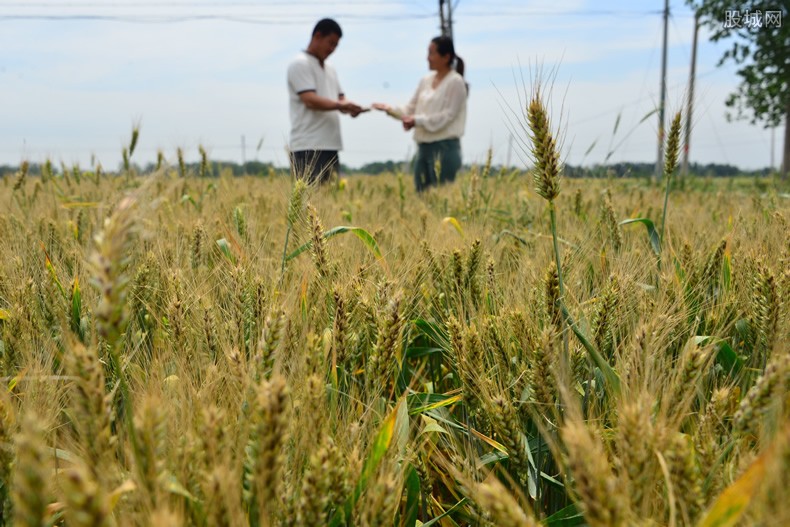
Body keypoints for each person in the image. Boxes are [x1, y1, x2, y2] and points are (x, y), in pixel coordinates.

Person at [373, 36, 467, 192]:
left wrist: (417, 121)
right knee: (422, 199)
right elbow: (410, 109)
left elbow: (448, 116)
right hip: (423, 149)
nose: (427, 58)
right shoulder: (425, 80)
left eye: (431, 53)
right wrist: (389, 109)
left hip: (445, 149)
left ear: (446, 57)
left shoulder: (456, 82)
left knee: (442, 199)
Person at [287, 18, 366, 184]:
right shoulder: (300, 64)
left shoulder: (330, 68)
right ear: (317, 36)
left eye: (336, 45)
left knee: (329, 203)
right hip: (308, 146)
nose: (332, 49)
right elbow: (310, 100)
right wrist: (341, 105)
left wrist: (353, 108)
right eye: (330, 43)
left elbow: (340, 99)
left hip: (330, 144)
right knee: (309, 203)